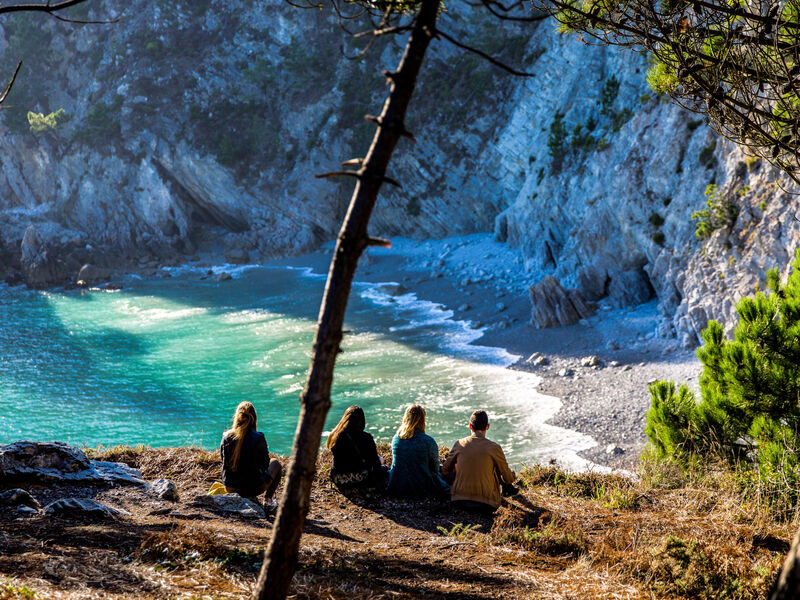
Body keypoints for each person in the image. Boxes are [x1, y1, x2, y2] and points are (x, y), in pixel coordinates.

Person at [442, 410, 516, 513]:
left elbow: (445, 470)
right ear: (487, 427)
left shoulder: (459, 444)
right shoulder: (494, 448)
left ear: (470, 426)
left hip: (460, 501)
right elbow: (508, 479)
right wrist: (512, 474)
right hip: (487, 504)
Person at [220, 401, 282, 502]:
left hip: (230, 487)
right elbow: (265, 464)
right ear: (254, 418)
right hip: (252, 489)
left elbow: (224, 461)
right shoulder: (258, 438)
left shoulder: (226, 436)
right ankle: (268, 500)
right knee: (276, 464)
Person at [386, 404, 450, 498]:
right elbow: (435, 468)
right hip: (421, 487)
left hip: (397, 485)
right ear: (422, 420)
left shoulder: (396, 438)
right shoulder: (428, 441)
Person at [326, 405, 388, 491]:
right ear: (362, 420)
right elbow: (375, 465)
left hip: (338, 479)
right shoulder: (366, 438)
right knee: (385, 469)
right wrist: (380, 461)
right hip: (359, 479)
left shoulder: (335, 436)